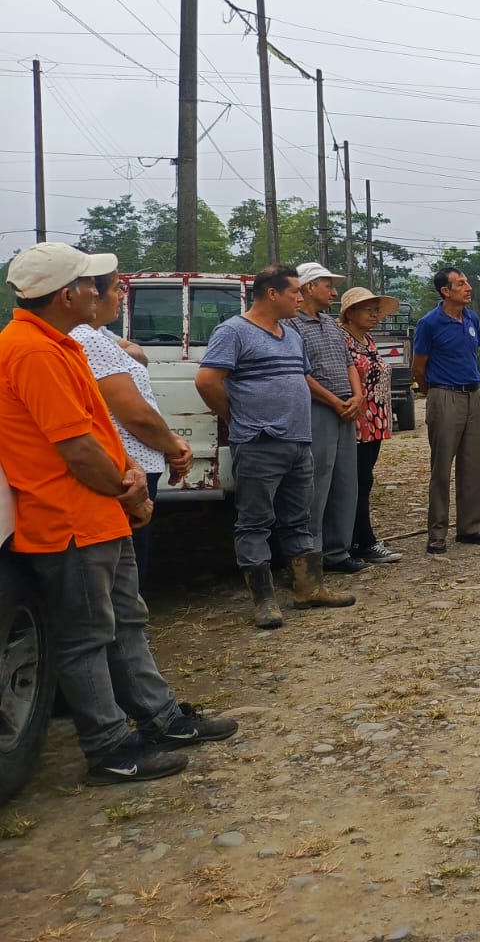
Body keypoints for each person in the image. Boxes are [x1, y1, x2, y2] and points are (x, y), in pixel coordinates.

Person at [0, 242, 237, 783]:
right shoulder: (33, 352)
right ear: (66, 295)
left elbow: (98, 429)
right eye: (89, 283)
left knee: (127, 621)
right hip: (71, 518)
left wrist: (128, 473)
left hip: (98, 510)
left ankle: (161, 718)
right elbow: (76, 447)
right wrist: (128, 489)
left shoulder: (61, 344)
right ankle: (108, 748)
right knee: (87, 637)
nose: (100, 290)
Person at [196, 265, 356, 626]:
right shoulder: (233, 331)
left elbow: (301, 378)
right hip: (260, 443)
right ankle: (264, 601)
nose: (300, 298)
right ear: (272, 294)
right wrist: (237, 419)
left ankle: (308, 588)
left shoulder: (290, 335)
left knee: (298, 519)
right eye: (294, 292)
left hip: (298, 441)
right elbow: (206, 381)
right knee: (255, 522)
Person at [71, 270, 194, 592]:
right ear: (93, 295)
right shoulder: (87, 338)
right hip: (124, 470)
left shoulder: (100, 335)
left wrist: (170, 442)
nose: (123, 295)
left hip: (132, 465)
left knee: (129, 567)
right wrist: (173, 447)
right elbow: (136, 415)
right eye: (117, 289)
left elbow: (134, 354)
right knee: (125, 575)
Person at [286, 262, 366, 574]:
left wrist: (357, 396)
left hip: (345, 408)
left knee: (345, 480)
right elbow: (299, 373)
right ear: (309, 287)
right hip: (317, 409)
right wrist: (334, 401)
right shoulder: (291, 325)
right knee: (316, 481)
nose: (334, 293)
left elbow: (349, 364)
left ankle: (337, 550)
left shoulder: (331, 324)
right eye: (328, 286)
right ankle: (311, 553)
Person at [411, 267, 480, 554]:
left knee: (473, 464)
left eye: (467, 281)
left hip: (473, 394)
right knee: (442, 466)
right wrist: (434, 393)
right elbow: (418, 367)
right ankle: (437, 533)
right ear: (445, 291)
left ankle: (471, 527)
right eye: (461, 284)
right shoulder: (430, 323)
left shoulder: (471, 318)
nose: (468, 287)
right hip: (444, 394)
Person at [339, 286, 403, 565]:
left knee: (364, 480)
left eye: (377, 310)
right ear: (350, 313)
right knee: (356, 481)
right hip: (354, 420)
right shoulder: (342, 339)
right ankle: (360, 541)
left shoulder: (368, 340)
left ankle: (359, 539)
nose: (375, 315)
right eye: (369, 310)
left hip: (373, 421)